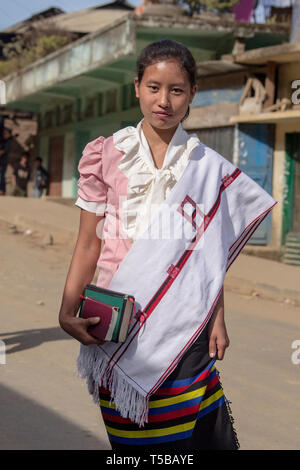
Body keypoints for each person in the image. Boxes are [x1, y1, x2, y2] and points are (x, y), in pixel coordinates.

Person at [58, 40, 276, 450]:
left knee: (200, 440)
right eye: (153, 87)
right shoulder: (106, 154)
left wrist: (218, 318)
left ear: (192, 93)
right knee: (140, 447)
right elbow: (88, 242)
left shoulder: (207, 167)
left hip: (185, 323)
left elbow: (207, 255)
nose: (164, 101)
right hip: (117, 321)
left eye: (176, 90)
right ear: (136, 86)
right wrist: (66, 309)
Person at [0, 128, 12, 195]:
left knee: (2, 176)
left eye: (6, 133)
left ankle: (2, 190)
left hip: (4, 162)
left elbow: (3, 152)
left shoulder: (8, 142)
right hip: (2, 161)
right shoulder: (4, 141)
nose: (4, 135)